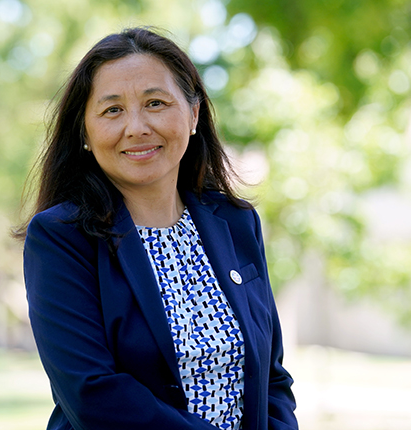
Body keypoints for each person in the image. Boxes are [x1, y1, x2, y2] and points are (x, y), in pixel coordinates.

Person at [15, 27, 298, 430]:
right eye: (112, 110)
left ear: (194, 114)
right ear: (85, 132)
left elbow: (271, 377)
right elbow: (93, 395)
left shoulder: (236, 223)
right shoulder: (61, 237)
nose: (137, 127)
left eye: (155, 103)